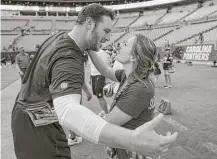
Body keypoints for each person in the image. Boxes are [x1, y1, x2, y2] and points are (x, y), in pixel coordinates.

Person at [11, 4, 177, 159]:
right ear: (89, 23)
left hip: (32, 122)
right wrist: (132, 140)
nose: (109, 38)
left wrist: (89, 44)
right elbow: (68, 110)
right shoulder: (68, 55)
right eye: (106, 31)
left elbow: (104, 72)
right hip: (38, 128)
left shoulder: (60, 38)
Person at [99, 34, 161, 159]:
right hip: (128, 147)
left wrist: (101, 117)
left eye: (126, 44)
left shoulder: (140, 88)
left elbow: (107, 123)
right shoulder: (128, 76)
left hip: (133, 152)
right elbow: (104, 70)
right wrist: (89, 48)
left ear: (134, 57)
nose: (121, 45)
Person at [90, 49, 111, 115]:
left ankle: (106, 113)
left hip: (99, 75)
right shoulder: (91, 52)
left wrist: (106, 78)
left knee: (100, 96)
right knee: (97, 95)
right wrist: (90, 77)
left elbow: (107, 65)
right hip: (93, 75)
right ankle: (104, 109)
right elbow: (91, 65)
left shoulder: (101, 52)